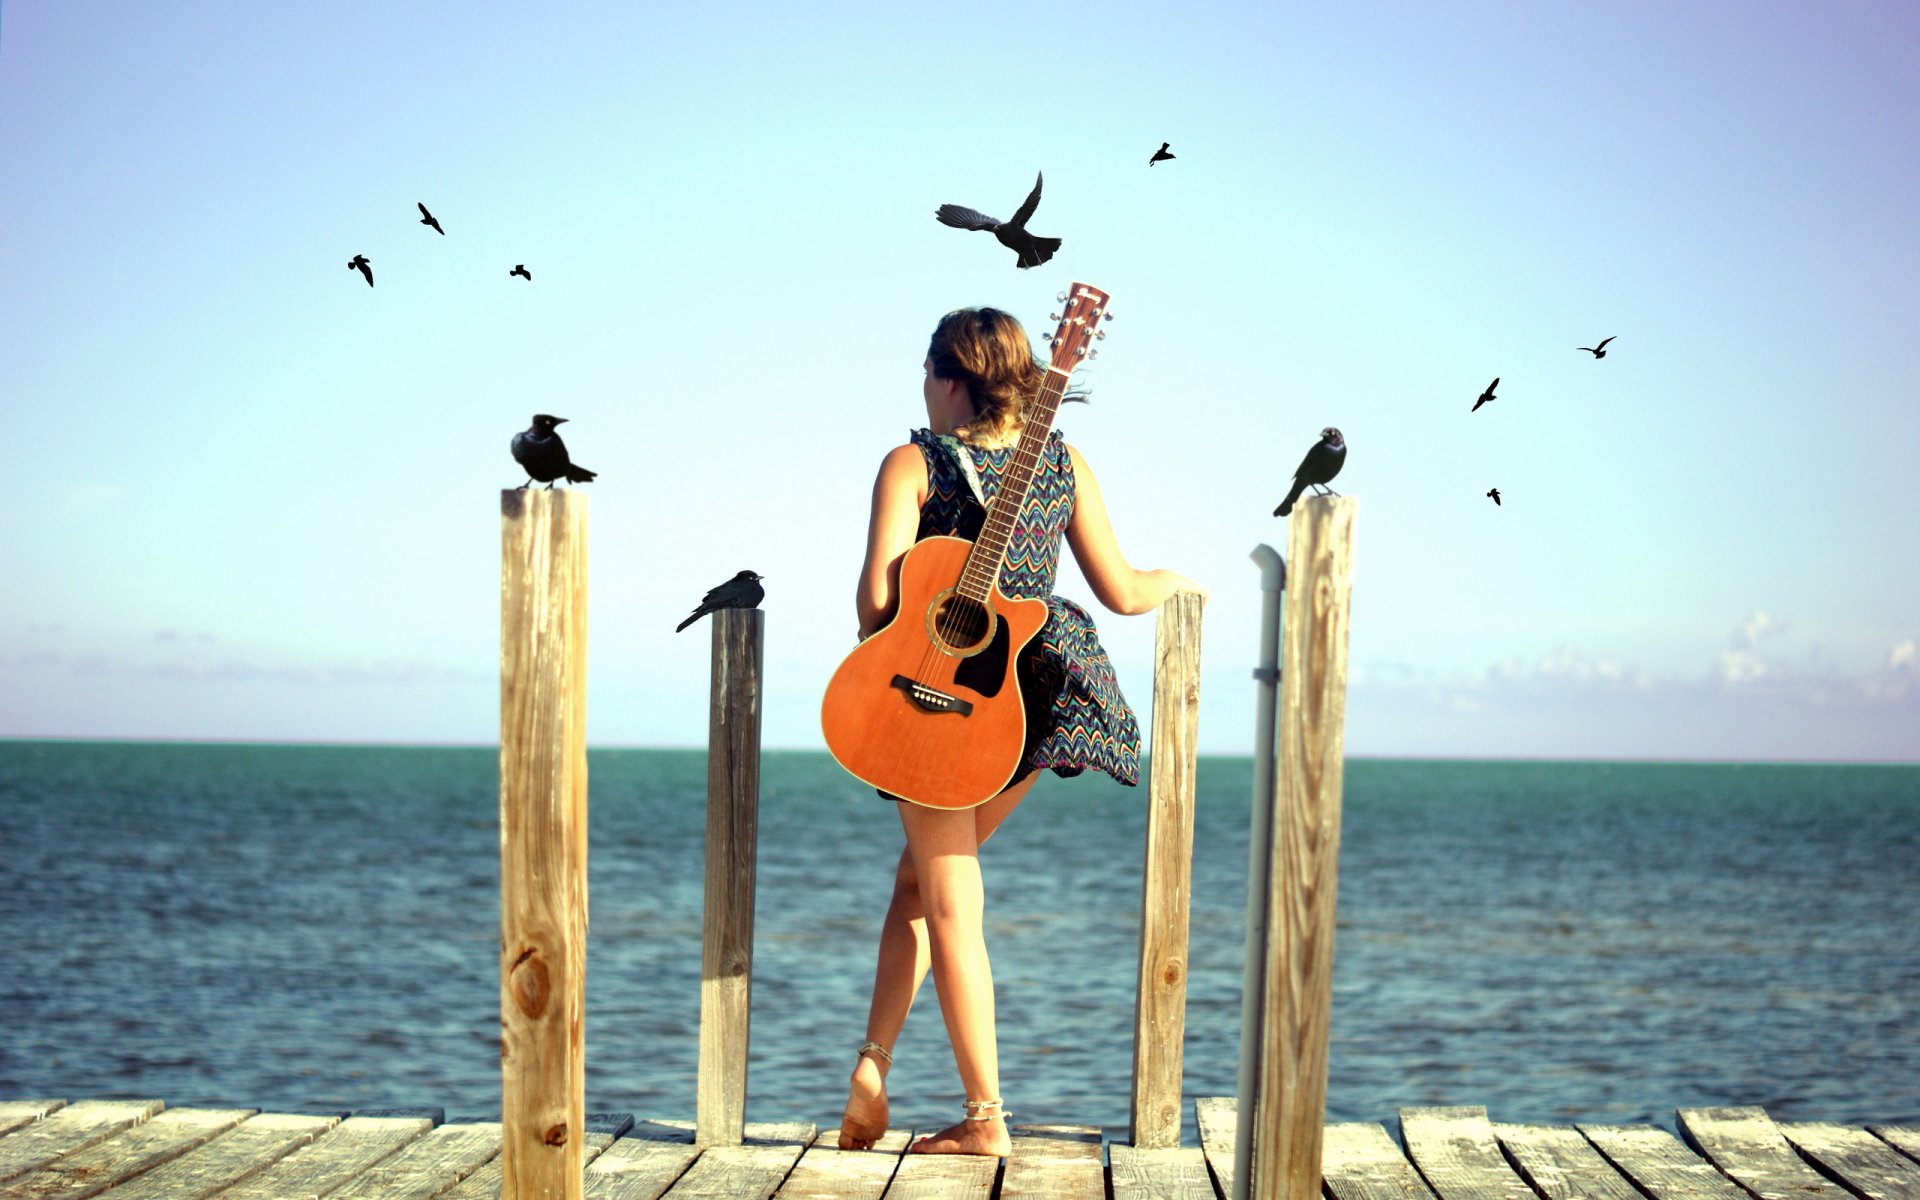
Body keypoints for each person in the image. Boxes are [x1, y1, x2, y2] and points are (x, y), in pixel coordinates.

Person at [837, 306, 1204, 1157]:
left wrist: (927, 587)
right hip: (1033, 690)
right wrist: (1182, 581)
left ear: (951, 378)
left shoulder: (911, 462)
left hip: (939, 698)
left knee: (952, 900)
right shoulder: (1062, 462)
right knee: (919, 886)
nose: (923, 395)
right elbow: (1121, 588)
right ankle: (872, 1069)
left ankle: (984, 1118)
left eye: (929, 377)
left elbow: (872, 608)